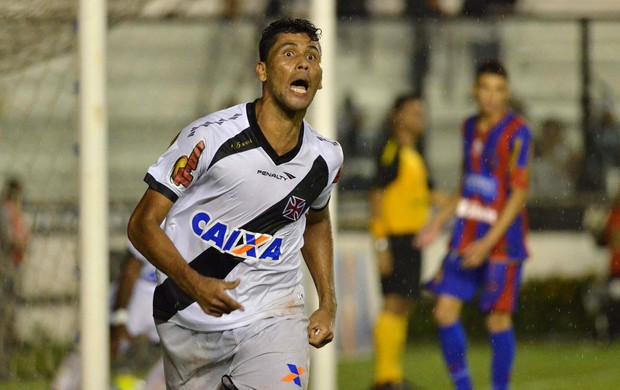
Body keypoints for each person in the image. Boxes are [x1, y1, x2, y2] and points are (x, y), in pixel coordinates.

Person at [127, 18, 342, 390]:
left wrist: (328, 301)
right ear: (262, 70)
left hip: (274, 315)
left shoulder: (326, 158)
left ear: (320, 78)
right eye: (288, 54)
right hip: (187, 317)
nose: (303, 63)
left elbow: (317, 222)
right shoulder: (209, 139)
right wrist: (195, 284)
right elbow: (141, 224)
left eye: (312, 56)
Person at [416, 60, 532, 390]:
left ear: (506, 93)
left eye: (498, 90)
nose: (492, 96)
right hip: (467, 234)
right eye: (486, 88)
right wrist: (438, 219)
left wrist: (488, 242)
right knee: (443, 312)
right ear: (474, 91)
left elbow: (518, 192)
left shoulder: (518, 132)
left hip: (503, 241)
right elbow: (467, 180)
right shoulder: (468, 126)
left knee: (497, 319)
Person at [369, 93, 445, 390]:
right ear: (397, 117)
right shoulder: (392, 151)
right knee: (393, 303)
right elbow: (376, 196)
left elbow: (430, 194)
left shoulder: (415, 155)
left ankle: (393, 375)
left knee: (404, 304)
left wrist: (466, 197)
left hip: (412, 240)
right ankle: (384, 378)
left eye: (421, 112)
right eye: (413, 112)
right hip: (395, 238)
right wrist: (380, 243)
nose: (420, 117)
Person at [51, 241, 165, 390]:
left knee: (187, 358)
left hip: (172, 294)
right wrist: (119, 318)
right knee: (98, 348)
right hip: (141, 292)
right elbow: (131, 270)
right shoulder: (157, 220)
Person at [0, 177, 29, 378]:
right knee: (4, 317)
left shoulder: (14, 209)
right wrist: (19, 245)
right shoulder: (4, 210)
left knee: (8, 314)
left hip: (12, 266)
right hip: (5, 267)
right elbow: (8, 238)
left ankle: (6, 364)